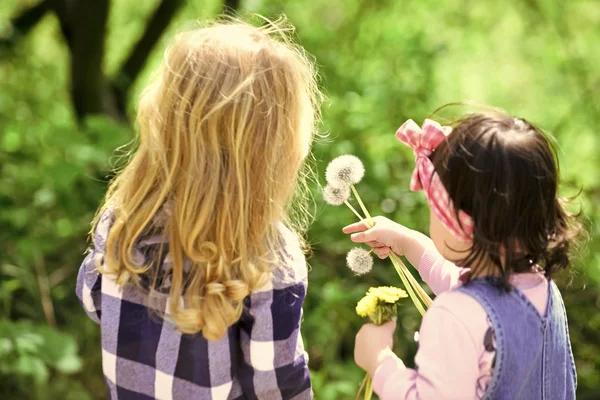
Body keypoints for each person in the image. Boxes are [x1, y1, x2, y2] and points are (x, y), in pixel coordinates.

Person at [76, 16, 322, 399]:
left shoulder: (125, 219)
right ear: (276, 148)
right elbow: (276, 385)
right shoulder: (269, 256)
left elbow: (94, 303)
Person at [345, 110, 582, 399]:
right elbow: (464, 286)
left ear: (461, 225)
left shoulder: (453, 316)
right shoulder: (542, 291)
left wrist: (380, 362)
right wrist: (407, 241)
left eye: (435, 208)